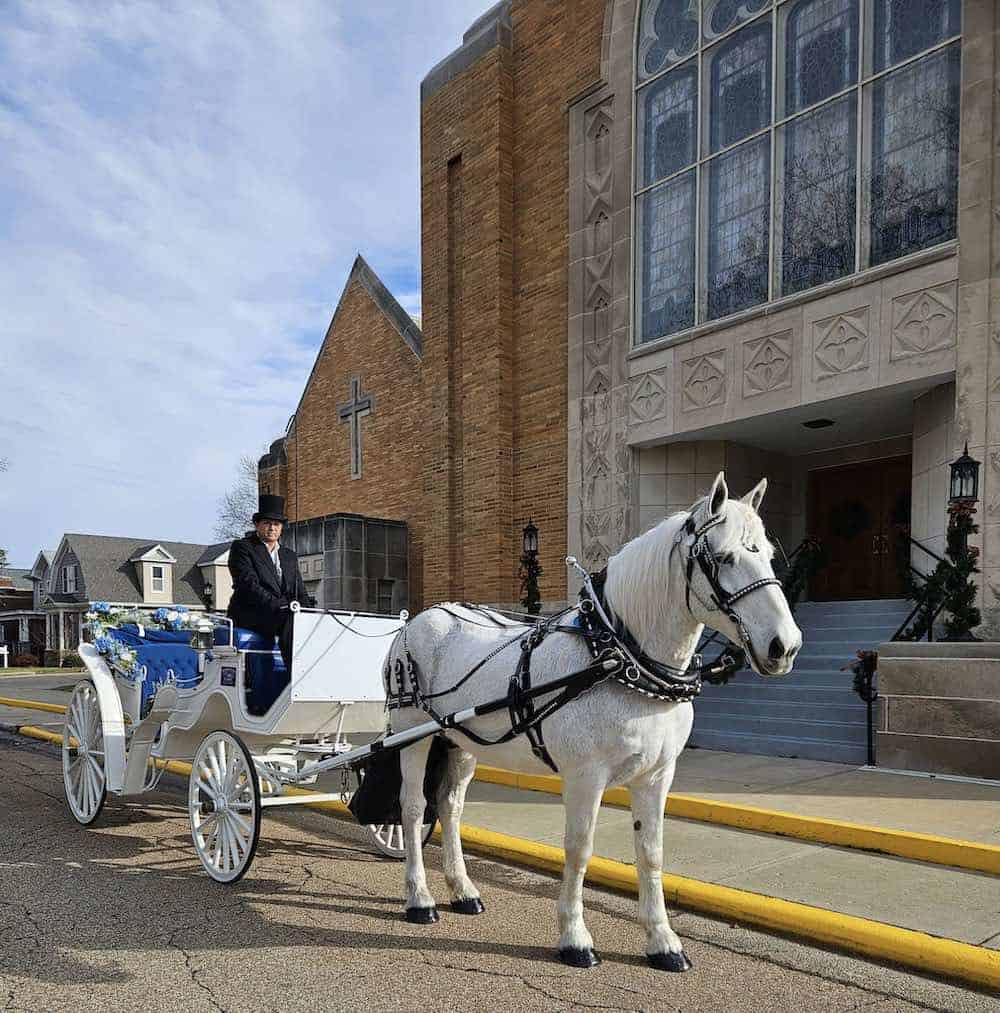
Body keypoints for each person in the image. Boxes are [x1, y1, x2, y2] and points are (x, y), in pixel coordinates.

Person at [227, 495, 314, 705]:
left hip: (281, 613)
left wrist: (309, 613)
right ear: (257, 525)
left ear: (282, 528)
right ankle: (299, 680)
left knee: (312, 622)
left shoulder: (289, 556)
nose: (272, 528)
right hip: (253, 614)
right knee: (290, 620)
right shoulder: (243, 548)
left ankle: (317, 673)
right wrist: (280, 605)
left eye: (276, 524)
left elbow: (299, 591)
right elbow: (248, 585)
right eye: (267, 523)